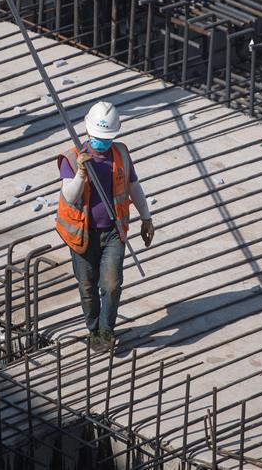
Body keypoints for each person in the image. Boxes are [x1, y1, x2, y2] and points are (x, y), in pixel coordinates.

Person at [55, 101, 155, 353]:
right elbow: (70, 196)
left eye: (107, 138)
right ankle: (93, 328)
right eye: (98, 138)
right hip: (82, 234)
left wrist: (146, 218)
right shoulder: (71, 158)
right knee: (87, 286)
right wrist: (80, 172)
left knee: (110, 284)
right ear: (89, 133)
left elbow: (134, 186)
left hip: (113, 230)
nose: (102, 143)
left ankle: (106, 330)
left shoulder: (120, 154)